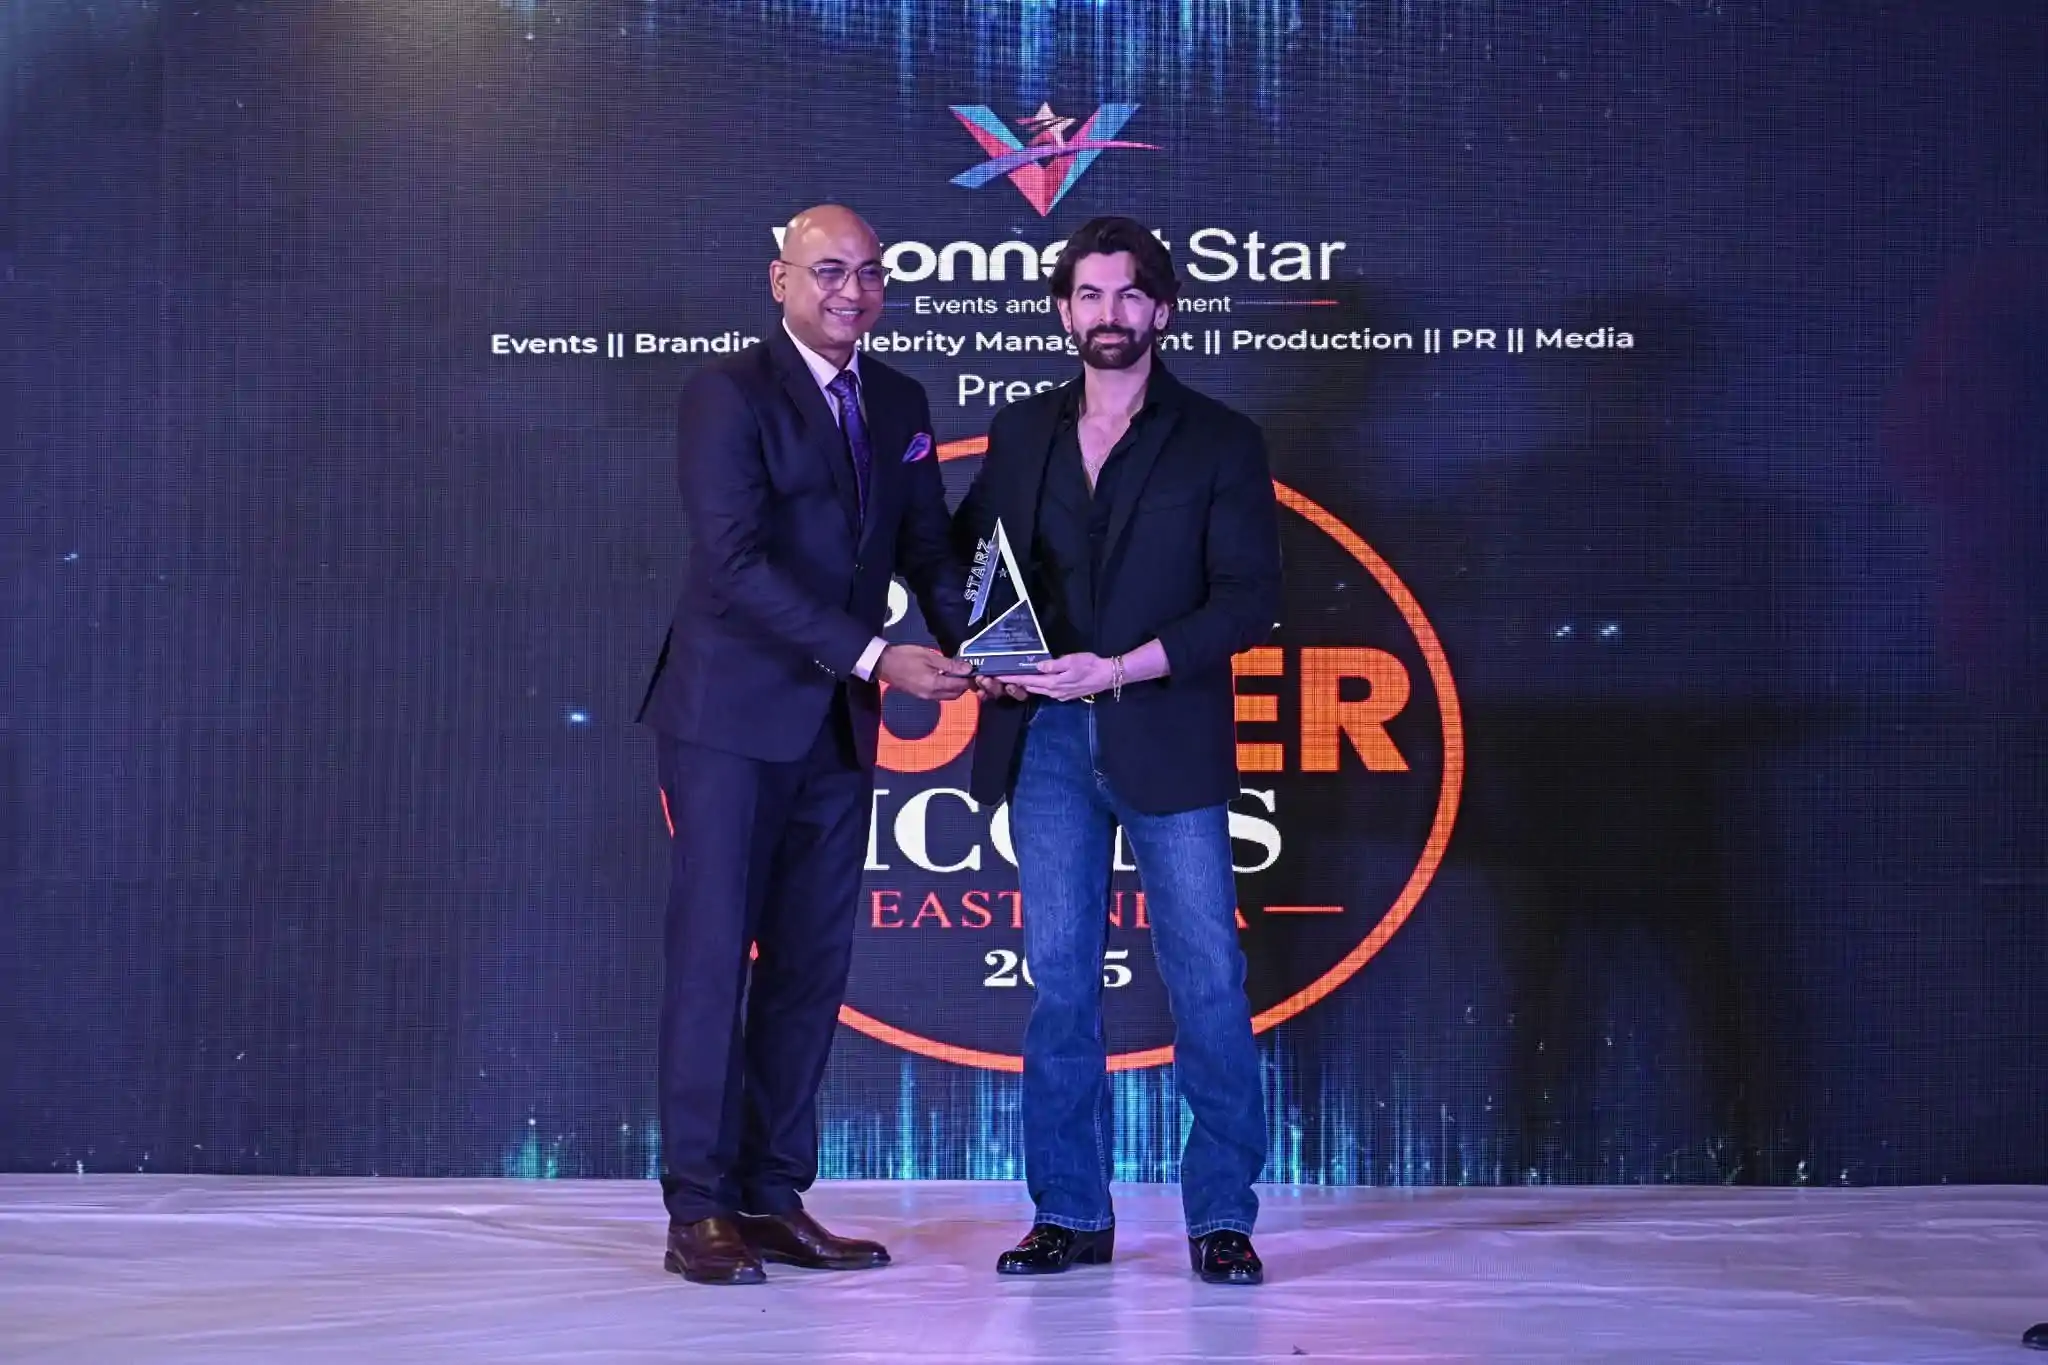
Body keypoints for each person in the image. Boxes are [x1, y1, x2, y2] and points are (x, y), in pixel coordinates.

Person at [636, 204, 972, 1285]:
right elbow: (733, 565)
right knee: (712, 959)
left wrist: (992, 647)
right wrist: (878, 657)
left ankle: (772, 1196)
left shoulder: (900, 399)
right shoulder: (727, 393)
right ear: (778, 279)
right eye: (828, 271)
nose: (851, 291)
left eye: (869, 274)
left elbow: (928, 547)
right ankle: (699, 1208)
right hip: (730, 722)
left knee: (811, 964)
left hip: (834, 726)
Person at [953, 215, 1283, 1285]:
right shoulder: (1020, 432)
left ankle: (1220, 1218)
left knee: (1208, 979)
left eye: (1128, 293)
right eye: (1088, 294)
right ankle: (1068, 1213)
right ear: (1062, 310)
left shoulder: (1220, 439)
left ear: (1162, 308)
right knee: (1059, 983)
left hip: (1165, 731)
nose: (1108, 313)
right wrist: (989, 655)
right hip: (1044, 737)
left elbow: (1247, 601)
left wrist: (1120, 667)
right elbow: (971, 562)